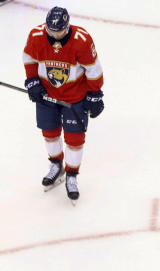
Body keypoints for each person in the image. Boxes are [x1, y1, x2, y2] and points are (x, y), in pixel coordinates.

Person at [22, 7, 104, 201]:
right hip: (46, 95)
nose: (55, 34)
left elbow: (93, 69)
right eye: (51, 30)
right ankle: (56, 165)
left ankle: (72, 174)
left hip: (74, 97)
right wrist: (32, 81)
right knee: (49, 134)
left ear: (67, 27)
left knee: (75, 139)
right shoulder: (36, 36)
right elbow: (29, 58)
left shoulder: (81, 40)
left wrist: (95, 95)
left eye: (59, 30)